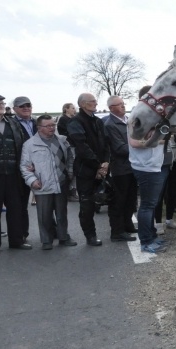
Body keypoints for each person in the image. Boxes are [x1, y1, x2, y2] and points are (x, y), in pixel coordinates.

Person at [0, 94, 31, 255]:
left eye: (2, 103)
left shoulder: (13, 123)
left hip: (13, 173)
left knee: (16, 208)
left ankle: (16, 240)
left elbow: (23, 144)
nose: (1, 105)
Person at [20, 115, 77, 250]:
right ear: (39, 128)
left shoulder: (62, 140)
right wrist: (32, 180)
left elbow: (70, 158)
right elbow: (24, 166)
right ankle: (46, 240)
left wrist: (69, 173)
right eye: (48, 126)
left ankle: (64, 237)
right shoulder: (29, 144)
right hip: (43, 184)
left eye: (53, 125)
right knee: (44, 215)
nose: (52, 128)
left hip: (61, 182)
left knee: (62, 213)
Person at [129, 85, 170, 254]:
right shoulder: (135, 117)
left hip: (154, 165)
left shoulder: (151, 117)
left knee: (151, 205)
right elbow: (134, 143)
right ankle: (146, 242)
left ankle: (151, 236)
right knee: (147, 205)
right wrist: (158, 141)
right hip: (145, 167)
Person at [67, 93, 110, 246]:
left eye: (95, 101)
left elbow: (105, 143)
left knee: (106, 198)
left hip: (101, 168)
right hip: (85, 170)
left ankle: (118, 230)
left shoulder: (98, 121)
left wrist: (105, 162)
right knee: (87, 205)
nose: (95, 103)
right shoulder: (75, 122)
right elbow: (82, 147)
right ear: (83, 104)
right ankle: (90, 235)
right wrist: (98, 166)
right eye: (92, 101)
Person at [104, 95, 138, 242]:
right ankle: (117, 232)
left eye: (123, 103)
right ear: (111, 108)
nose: (123, 106)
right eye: (119, 104)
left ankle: (128, 224)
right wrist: (139, 146)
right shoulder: (110, 125)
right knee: (119, 200)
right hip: (120, 168)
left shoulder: (128, 120)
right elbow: (119, 148)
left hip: (132, 166)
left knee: (131, 199)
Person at [56, 102, 79, 200]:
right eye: (72, 108)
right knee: (71, 169)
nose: (75, 110)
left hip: (75, 146)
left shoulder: (72, 119)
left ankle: (73, 191)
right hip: (69, 147)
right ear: (66, 109)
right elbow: (70, 133)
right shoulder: (64, 120)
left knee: (75, 170)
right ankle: (69, 192)